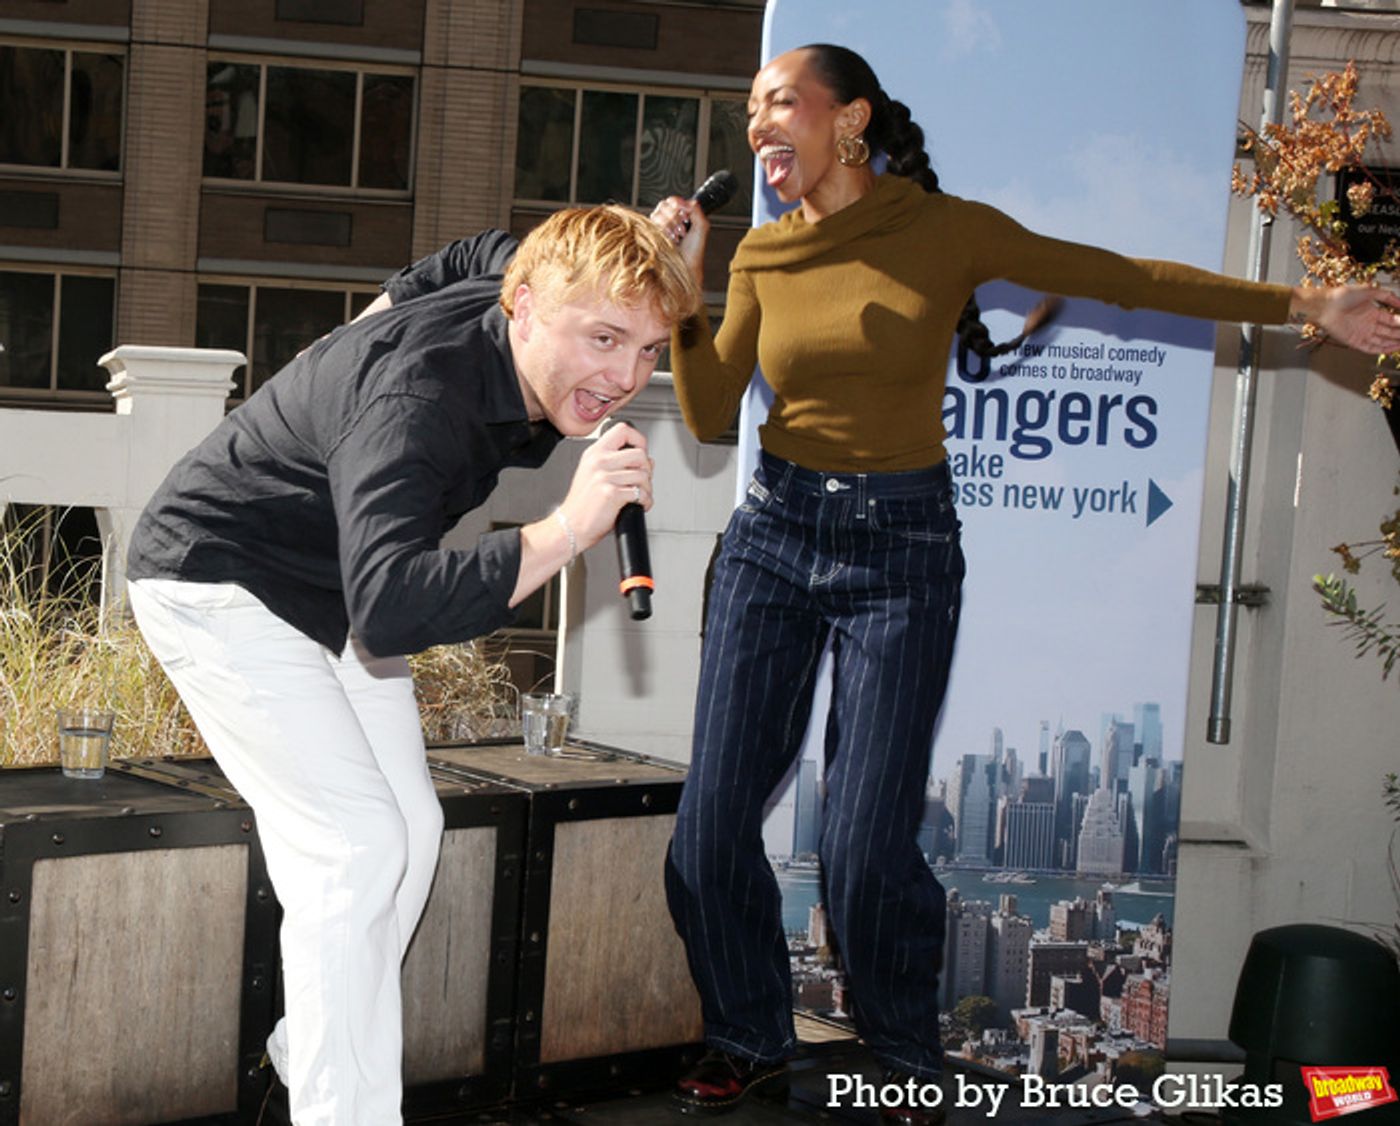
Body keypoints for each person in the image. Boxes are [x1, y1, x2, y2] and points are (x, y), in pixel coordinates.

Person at [650, 43, 1400, 1125]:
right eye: (751, 108)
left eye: (779, 101)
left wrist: (1306, 301)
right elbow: (712, 411)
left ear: (849, 119)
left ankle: (901, 1054)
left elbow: (1126, 278)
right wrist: (684, 292)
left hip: (900, 552)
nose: (758, 123)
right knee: (708, 828)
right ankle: (747, 1035)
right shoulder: (765, 254)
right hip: (772, 536)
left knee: (860, 845)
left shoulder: (943, 229)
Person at [124, 205, 700, 1126]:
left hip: (339, 586)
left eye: (647, 349)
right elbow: (394, 607)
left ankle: (312, 1040)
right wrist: (564, 530)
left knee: (413, 831)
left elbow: (468, 251)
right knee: (355, 847)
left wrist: (362, 330)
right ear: (524, 309)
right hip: (220, 578)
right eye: (603, 339)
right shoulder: (418, 403)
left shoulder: (514, 279)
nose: (626, 377)